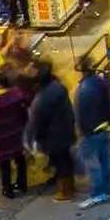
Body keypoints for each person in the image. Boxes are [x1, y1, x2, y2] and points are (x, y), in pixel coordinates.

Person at [26, 62, 78, 202]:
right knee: (65, 159)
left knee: (61, 162)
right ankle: (70, 186)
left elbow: (39, 122)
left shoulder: (43, 98)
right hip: (65, 130)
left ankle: (65, 192)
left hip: (54, 136)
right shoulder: (58, 87)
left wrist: (36, 138)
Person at [74, 60, 110, 208]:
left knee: (93, 164)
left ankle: (98, 194)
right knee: (105, 160)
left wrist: (81, 132)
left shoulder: (83, 89)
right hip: (105, 127)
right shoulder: (101, 82)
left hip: (91, 131)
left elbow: (80, 113)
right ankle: (106, 189)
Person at [0, 71, 30, 198]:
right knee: (20, 159)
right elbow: (25, 112)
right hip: (16, 134)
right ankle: (22, 184)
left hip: (1, 138)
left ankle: (7, 189)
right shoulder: (17, 95)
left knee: (5, 164)